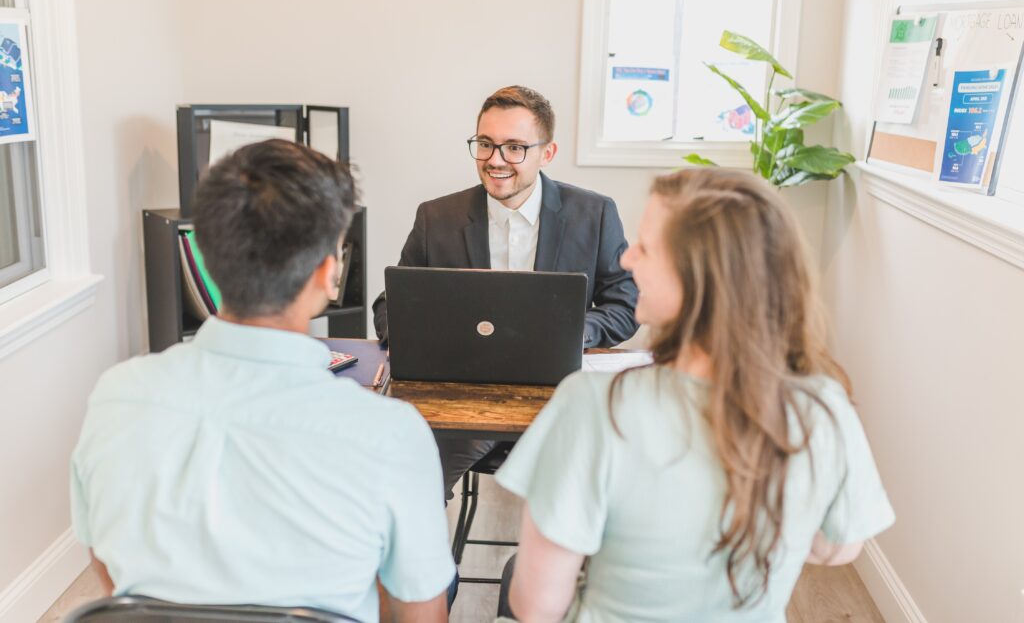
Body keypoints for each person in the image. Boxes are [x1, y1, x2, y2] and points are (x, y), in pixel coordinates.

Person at [70, 140, 454, 623]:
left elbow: (109, 573)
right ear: (327, 273)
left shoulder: (116, 396)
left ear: (206, 258)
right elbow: (420, 614)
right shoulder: (392, 433)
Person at [494, 168, 895, 622]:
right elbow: (836, 547)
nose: (627, 262)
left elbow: (536, 607)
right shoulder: (824, 406)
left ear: (697, 275)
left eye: (645, 247)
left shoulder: (594, 405)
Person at [372, 85, 639, 499]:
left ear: (546, 153)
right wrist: (423, 339)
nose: (495, 161)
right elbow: (391, 304)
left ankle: (541, 565)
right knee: (402, 481)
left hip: (559, 402)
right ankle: (427, 565)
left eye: (515, 147)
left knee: (591, 489)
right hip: (462, 403)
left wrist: (574, 332)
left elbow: (625, 304)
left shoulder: (595, 213)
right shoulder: (436, 217)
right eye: (485, 144)